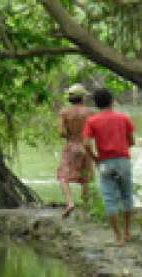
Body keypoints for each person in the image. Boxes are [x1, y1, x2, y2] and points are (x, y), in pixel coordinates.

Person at [82, 88, 135, 245]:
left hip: (105, 163)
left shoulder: (92, 121)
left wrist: (95, 159)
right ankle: (127, 232)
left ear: (96, 104)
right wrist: (123, 147)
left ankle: (117, 237)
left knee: (109, 199)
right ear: (112, 101)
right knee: (126, 196)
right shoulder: (123, 118)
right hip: (123, 161)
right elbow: (132, 141)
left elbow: (86, 143)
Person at [56, 84, 94, 218]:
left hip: (72, 145)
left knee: (63, 176)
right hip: (86, 146)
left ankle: (70, 202)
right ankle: (86, 209)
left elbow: (61, 132)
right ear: (83, 98)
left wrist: (70, 136)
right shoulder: (90, 112)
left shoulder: (64, 112)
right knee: (86, 178)